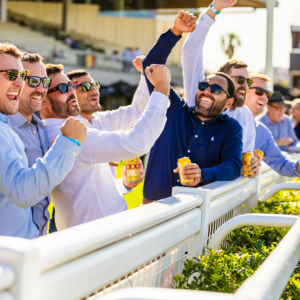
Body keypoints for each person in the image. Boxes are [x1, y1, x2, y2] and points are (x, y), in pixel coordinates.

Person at [41, 63, 171, 230]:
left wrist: (123, 185)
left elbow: (87, 193)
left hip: (103, 231)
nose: (71, 91)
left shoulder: (65, 128)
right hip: (99, 236)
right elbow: (136, 142)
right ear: (43, 100)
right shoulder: (65, 132)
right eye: (64, 87)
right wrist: (161, 87)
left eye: (72, 86)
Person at [141, 11, 243, 203]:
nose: (207, 91)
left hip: (194, 214)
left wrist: (202, 174)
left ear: (229, 102)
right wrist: (175, 32)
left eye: (216, 89)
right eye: (204, 86)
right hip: (151, 209)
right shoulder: (173, 109)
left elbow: (233, 166)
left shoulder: (231, 128)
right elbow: (150, 66)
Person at [0, 42, 88, 238]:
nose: (19, 83)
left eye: (22, 77)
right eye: (11, 76)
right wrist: (68, 144)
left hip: (33, 245)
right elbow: (23, 191)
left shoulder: (38, 128)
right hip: (9, 257)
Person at [181, 1, 256, 157]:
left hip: (227, 181)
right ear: (223, 80)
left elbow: (244, 157)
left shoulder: (245, 114)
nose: (245, 86)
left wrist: (253, 164)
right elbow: (191, 51)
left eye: (248, 82)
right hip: (186, 179)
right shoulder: (200, 97)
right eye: (240, 80)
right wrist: (214, 9)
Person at [66, 60, 149, 177]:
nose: (94, 90)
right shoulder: (68, 129)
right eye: (85, 87)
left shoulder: (103, 119)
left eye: (95, 85)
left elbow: (136, 111)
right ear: (70, 94)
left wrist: (145, 74)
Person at [7, 52, 54, 236]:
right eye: (33, 81)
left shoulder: (40, 127)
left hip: (40, 242)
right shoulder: (6, 130)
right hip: (11, 250)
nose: (42, 89)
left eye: (45, 82)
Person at [245, 73, 300, 176]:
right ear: (242, 91)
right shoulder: (221, 121)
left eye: (267, 94)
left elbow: (282, 164)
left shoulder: (262, 130)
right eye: (259, 91)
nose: (265, 97)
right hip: (215, 190)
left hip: (246, 189)